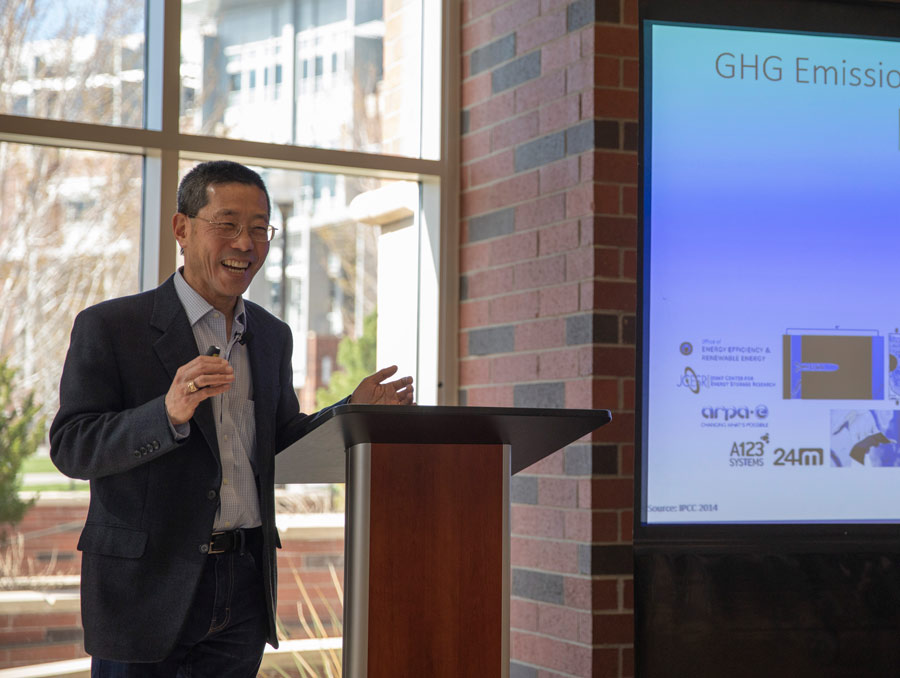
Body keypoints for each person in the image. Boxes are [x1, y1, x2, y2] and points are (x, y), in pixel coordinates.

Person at [49, 160, 414, 677]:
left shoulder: (270, 335)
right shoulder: (111, 326)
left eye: (260, 228)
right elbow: (71, 446)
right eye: (228, 224)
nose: (246, 242)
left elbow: (281, 442)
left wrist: (350, 412)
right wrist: (168, 413)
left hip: (242, 588)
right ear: (182, 228)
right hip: (146, 591)